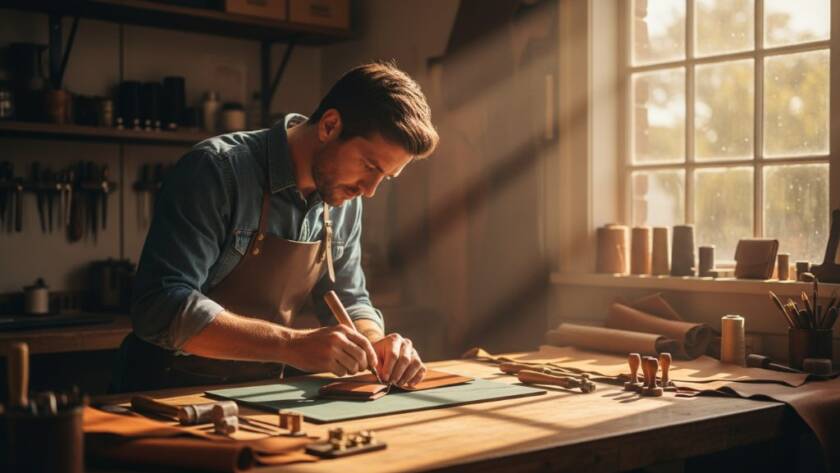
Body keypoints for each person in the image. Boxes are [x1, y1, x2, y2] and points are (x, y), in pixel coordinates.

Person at [113, 61, 439, 392]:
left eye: (385, 177)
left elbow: (347, 297)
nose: (369, 190)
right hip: (166, 392)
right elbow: (160, 305)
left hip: (261, 391)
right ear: (329, 126)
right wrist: (291, 345)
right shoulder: (217, 171)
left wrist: (375, 342)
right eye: (369, 166)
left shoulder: (343, 197)